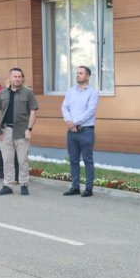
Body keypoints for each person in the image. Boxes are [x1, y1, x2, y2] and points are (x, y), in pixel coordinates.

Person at [0, 68, 38, 196]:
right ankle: (7, 185)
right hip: (5, 130)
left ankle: (24, 184)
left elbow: (33, 112)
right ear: (10, 77)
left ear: (22, 78)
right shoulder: (3, 93)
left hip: (22, 130)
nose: (17, 79)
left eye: (20, 76)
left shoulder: (28, 93)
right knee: (7, 159)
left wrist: (29, 129)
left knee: (22, 159)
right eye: (15, 76)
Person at [61, 66, 100, 197]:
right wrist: (69, 122)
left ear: (87, 76)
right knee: (73, 160)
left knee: (88, 160)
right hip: (71, 131)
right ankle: (75, 186)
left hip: (86, 131)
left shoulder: (92, 92)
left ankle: (88, 188)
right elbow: (64, 107)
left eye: (81, 73)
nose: (78, 75)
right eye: (77, 73)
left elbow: (90, 111)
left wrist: (74, 121)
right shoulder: (71, 91)